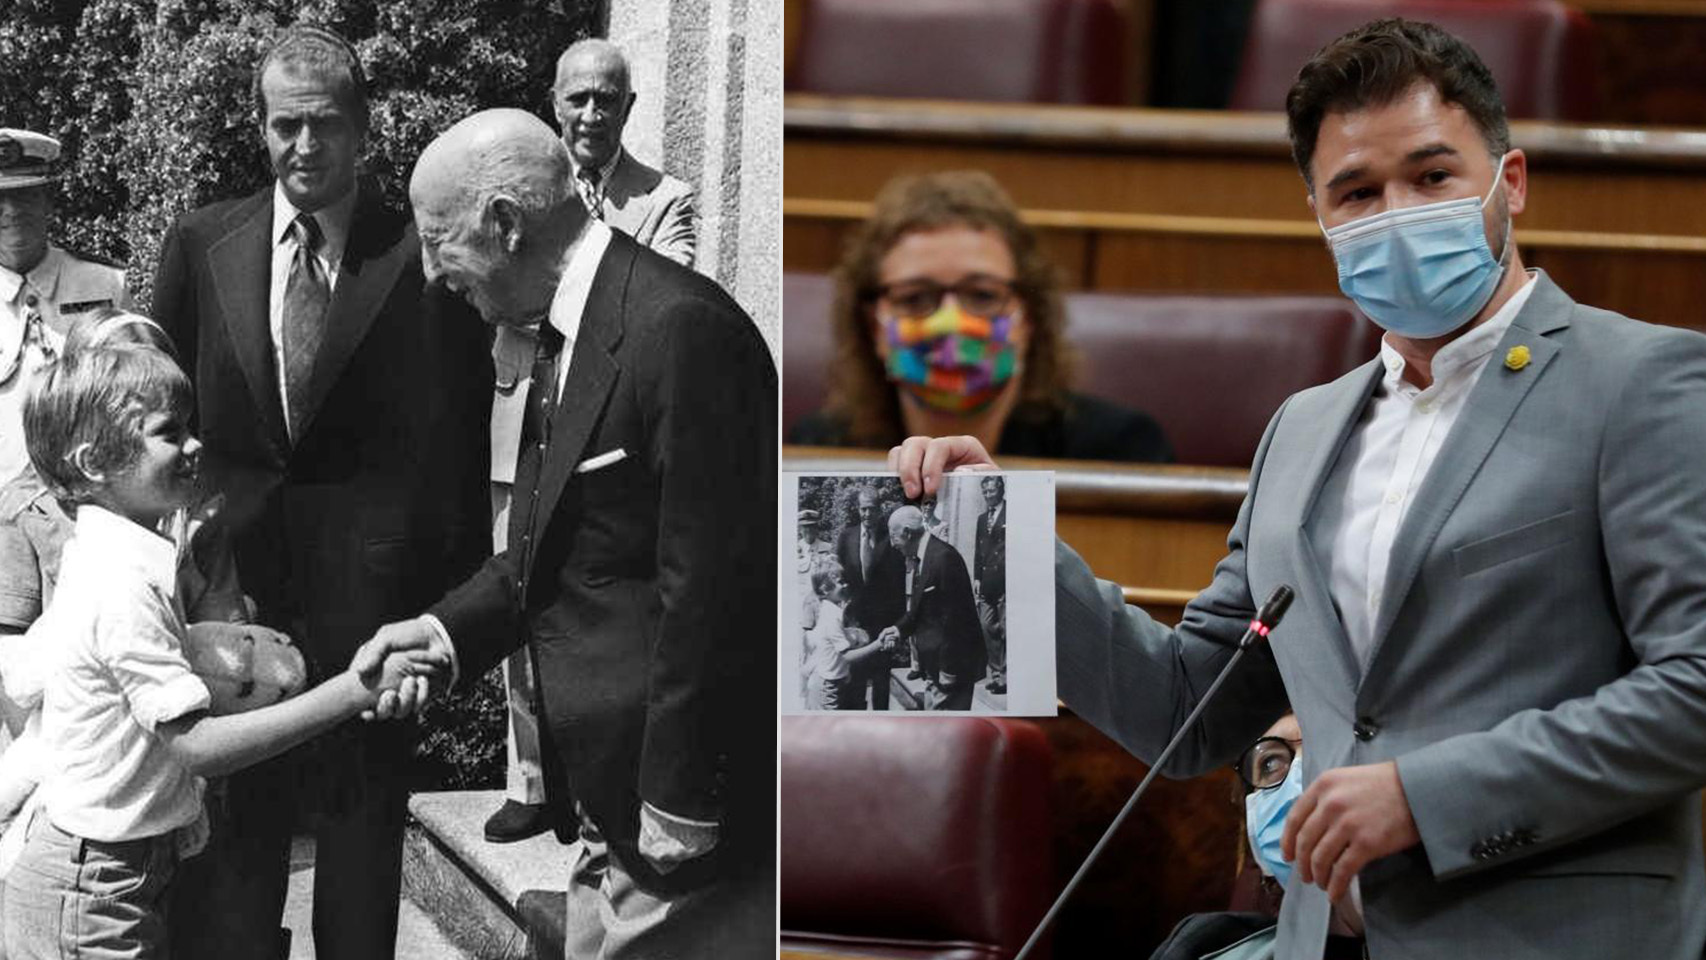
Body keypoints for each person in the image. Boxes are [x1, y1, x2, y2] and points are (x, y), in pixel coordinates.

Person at [890, 18, 1706, 959]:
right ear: (1320, 218)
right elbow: (1185, 711)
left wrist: (1424, 795)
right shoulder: (1304, 427)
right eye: (1357, 192)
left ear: (1508, 184)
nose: (1396, 211)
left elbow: (1691, 687)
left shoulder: (1642, 382)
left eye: (1433, 177)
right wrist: (1006, 547)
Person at [359, 108, 775, 958]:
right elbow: (547, 552)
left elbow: (715, 590)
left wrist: (680, 798)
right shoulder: (567, 333)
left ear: (506, 224)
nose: (433, 274)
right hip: (608, 805)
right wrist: (440, 634)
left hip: (672, 822)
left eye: (441, 240)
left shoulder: (681, 331)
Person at [149, 25, 490, 960]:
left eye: (326, 126)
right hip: (232, 608)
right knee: (234, 860)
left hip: (370, 621)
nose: (305, 148)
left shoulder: (420, 256)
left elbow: (458, 451)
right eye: (285, 126)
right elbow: (156, 416)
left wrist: (443, 624)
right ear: (259, 128)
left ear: (364, 128)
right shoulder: (201, 241)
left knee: (358, 858)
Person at [0, 335, 434, 960]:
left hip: (108, 873)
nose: (194, 445)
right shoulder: (119, 585)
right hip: (91, 892)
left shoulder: (115, 560)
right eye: (167, 432)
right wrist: (352, 691)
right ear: (95, 462)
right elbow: (199, 747)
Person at [788, 170, 1172, 463]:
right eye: (915, 298)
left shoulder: (1118, 448)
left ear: (1028, 318)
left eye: (983, 295)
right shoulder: (818, 449)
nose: (951, 322)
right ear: (875, 326)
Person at [0, 128, 129, 490]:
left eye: (24, 196)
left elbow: (138, 399)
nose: (12, 212)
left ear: (48, 200)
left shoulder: (107, 285)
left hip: (90, 505)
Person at [553, 38, 697, 267]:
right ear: (556, 106)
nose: (590, 117)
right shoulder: (519, 184)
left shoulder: (667, 200)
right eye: (578, 100)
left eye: (605, 100)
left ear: (627, 107)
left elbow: (667, 296)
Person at [877, 505, 983, 711]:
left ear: (907, 533)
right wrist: (898, 629)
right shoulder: (923, 557)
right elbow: (920, 609)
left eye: (894, 537)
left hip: (952, 668)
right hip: (935, 666)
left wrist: (948, 670)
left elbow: (956, 619)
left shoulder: (944, 559)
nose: (892, 544)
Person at [834, 487, 904, 709]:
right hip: (854, 622)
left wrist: (896, 625)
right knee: (856, 680)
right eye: (863, 509)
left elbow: (898, 583)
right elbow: (839, 576)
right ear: (858, 509)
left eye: (872, 510)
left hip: (882, 623)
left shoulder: (891, 537)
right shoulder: (847, 537)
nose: (867, 514)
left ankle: (882, 723)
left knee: (882, 680)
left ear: (879, 510)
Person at [974, 474, 1006, 695]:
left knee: (1005, 630)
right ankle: (996, 674)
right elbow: (978, 551)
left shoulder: (1012, 512)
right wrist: (976, 577)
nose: (987, 495)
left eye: (991, 491)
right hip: (986, 583)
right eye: (984, 492)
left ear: (1001, 490)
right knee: (987, 628)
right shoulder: (981, 518)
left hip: (1005, 581)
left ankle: (1004, 678)